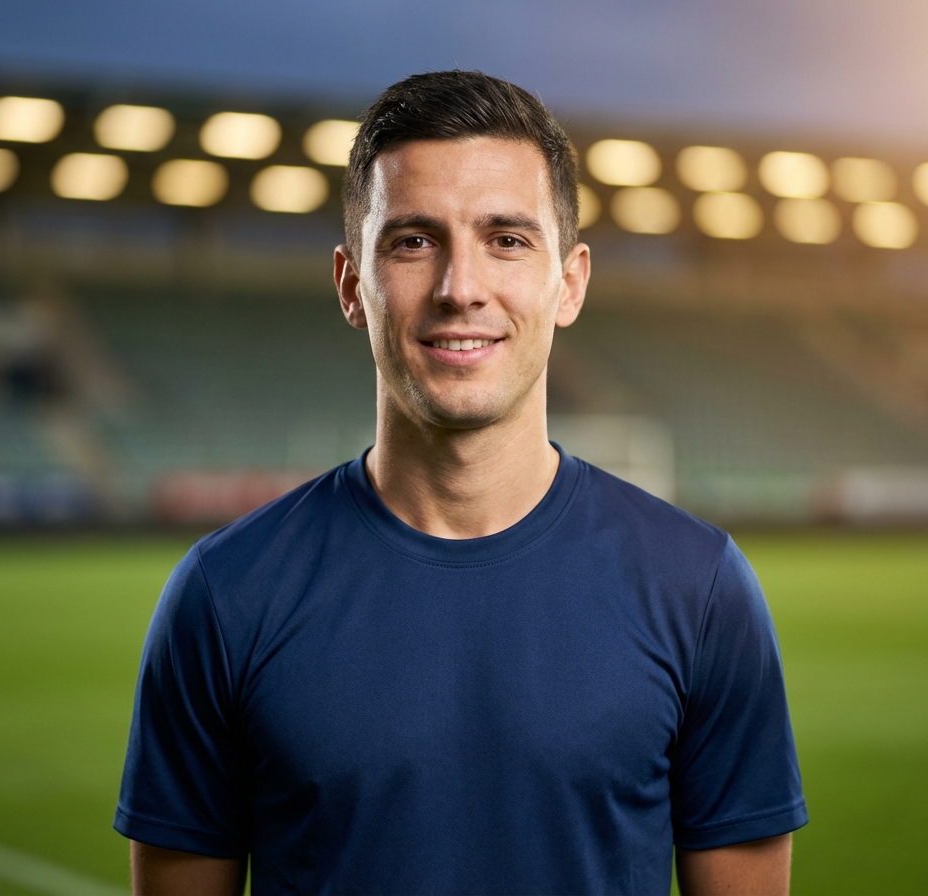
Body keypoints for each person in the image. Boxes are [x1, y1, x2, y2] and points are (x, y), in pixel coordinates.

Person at [115, 70, 807, 896]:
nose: (460, 288)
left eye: (507, 240)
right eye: (413, 241)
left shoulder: (700, 589)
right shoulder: (225, 597)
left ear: (572, 282)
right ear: (350, 286)